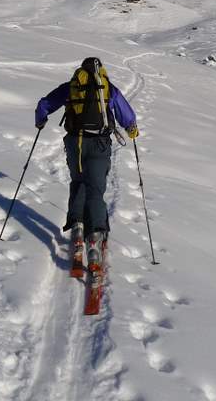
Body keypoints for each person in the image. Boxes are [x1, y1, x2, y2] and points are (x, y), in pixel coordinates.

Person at [35, 56, 139, 270]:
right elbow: (126, 114)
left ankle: (78, 227)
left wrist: (41, 120)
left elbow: (44, 104)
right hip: (100, 144)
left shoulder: (71, 87)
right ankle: (95, 238)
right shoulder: (108, 88)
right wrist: (132, 129)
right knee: (95, 189)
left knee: (78, 182)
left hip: (75, 143)